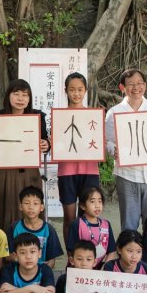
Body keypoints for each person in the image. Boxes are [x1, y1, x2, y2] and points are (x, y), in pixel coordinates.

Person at [0, 79, 51, 230]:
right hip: (2, 173)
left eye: (25, 95)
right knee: (3, 205)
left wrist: (46, 145)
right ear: (8, 96)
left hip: (28, 171)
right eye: (16, 94)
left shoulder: (37, 116)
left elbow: (45, 142)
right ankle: (3, 247)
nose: (20, 98)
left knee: (29, 206)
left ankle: (31, 246)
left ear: (30, 98)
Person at [104, 68, 147, 233]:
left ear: (145, 86)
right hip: (127, 175)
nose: (135, 88)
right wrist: (113, 150)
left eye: (139, 83)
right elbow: (107, 141)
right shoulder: (114, 112)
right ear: (122, 87)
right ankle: (129, 257)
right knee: (129, 223)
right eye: (130, 84)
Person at [56, 73, 102, 227]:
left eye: (80, 89)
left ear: (85, 90)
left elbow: (99, 141)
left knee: (88, 216)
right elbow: (57, 144)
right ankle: (71, 252)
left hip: (90, 170)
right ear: (66, 91)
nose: (76, 94)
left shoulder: (93, 116)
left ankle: (86, 251)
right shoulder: (60, 117)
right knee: (69, 218)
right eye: (72, 89)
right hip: (66, 171)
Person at [9, 186, 63, 268]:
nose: (31, 207)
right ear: (20, 206)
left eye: (35, 203)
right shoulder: (14, 227)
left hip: (41, 273)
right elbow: (7, 255)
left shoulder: (48, 229)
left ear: (41, 207)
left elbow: (52, 260)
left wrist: (44, 272)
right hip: (19, 272)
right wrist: (22, 261)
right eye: (27, 203)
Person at [64, 186, 117, 269]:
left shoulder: (106, 225)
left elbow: (112, 252)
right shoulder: (77, 224)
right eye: (92, 202)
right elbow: (71, 251)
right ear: (82, 206)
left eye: (100, 201)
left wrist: (105, 269)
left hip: (100, 271)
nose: (97, 205)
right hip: (79, 269)